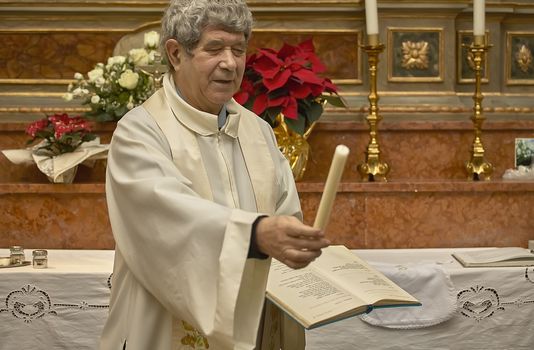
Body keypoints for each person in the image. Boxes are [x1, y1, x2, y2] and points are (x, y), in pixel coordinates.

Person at [99, 0, 330, 349]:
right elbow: (167, 219)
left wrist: (297, 245)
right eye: (215, 48)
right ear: (176, 54)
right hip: (166, 330)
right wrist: (254, 234)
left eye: (239, 49)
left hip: (255, 327)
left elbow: (286, 212)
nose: (230, 63)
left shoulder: (257, 131)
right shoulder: (141, 132)